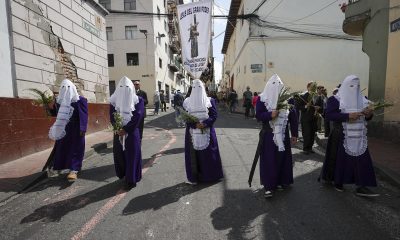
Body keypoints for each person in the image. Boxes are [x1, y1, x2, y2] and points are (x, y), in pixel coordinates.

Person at [320, 75, 379, 197]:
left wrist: (369, 114)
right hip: (341, 134)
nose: (354, 88)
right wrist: (347, 116)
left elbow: (368, 117)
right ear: (345, 85)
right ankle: (338, 181)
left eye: (357, 86)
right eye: (351, 85)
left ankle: (362, 186)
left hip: (359, 136)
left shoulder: (364, 99)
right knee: (341, 160)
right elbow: (329, 115)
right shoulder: (335, 100)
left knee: (362, 160)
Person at [254, 74, 298, 198]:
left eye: (279, 85)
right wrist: (270, 115)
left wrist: (294, 134)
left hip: (284, 134)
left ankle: (281, 181)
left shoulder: (288, 100)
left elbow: (293, 117)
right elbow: (258, 115)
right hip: (268, 135)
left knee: (283, 158)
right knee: (269, 160)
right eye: (273, 85)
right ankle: (269, 186)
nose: (276, 87)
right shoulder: (262, 99)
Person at [183, 79, 224, 184]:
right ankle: (194, 177)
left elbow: (214, 115)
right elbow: (185, 117)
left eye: (199, 87)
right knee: (193, 155)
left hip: (207, 131)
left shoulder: (210, 101)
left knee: (209, 154)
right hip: (192, 132)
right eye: (195, 87)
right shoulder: (187, 101)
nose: (197, 90)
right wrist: (194, 124)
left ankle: (210, 176)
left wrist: (205, 124)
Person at [48, 79, 88, 182]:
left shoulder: (80, 100)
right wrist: (50, 107)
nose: (66, 90)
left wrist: (82, 128)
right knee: (63, 148)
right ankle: (62, 166)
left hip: (76, 129)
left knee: (76, 149)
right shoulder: (58, 102)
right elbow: (54, 114)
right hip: (63, 129)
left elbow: (84, 115)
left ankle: (74, 170)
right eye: (63, 88)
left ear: (73, 88)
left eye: (68, 87)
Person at [110, 76, 145, 189]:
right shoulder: (113, 100)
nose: (124, 89)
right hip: (118, 132)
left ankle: (131, 179)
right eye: (121, 87)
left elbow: (138, 116)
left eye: (127, 87)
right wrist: (118, 128)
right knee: (119, 155)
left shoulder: (138, 100)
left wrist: (126, 129)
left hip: (132, 133)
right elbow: (112, 115)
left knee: (132, 156)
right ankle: (123, 174)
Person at [297, 82, 322, 154]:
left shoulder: (317, 96)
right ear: (308, 87)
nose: (314, 88)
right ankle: (305, 149)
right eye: (312, 86)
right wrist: (305, 106)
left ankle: (310, 148)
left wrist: (318, 108)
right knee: (307, 134)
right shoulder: (303, 96)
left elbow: (321, 107)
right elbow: (298, 107)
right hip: (306, 119)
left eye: (315, 86)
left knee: (312, 134)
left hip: (314, 118)